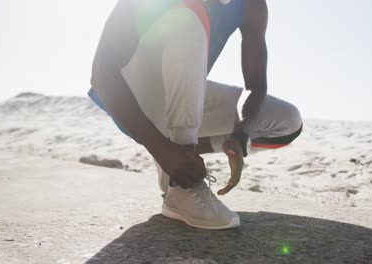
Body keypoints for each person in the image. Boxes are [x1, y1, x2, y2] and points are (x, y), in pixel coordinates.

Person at [88, 0, 303, 229]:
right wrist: (160, 148)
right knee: (190, 13)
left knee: (287, 120)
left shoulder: (252, 5)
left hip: (182, 98)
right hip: (131, 96)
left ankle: (182, 158)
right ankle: (183, 184)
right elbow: (102, 74)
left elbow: (255, 87)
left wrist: (241, 131)